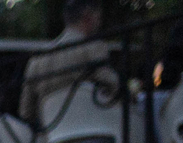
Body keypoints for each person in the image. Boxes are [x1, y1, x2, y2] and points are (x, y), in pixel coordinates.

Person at [20, 0, 120, 129]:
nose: (99, 23)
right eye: (98, 18)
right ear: (88, 17)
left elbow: (26, 112)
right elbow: (115, 87)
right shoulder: (93, 48)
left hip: (54, 138)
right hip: (94, 132)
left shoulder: (37, 60)